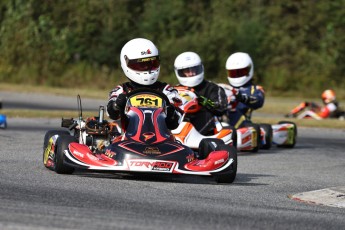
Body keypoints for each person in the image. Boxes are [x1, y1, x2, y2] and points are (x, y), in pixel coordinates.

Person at [107, 38, 183, 131]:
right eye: (141, 65)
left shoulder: (167, 91)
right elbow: (111, 113)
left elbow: (176, 122)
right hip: (128, 139)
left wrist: (171, 112)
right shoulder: (121, 90)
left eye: (151, 63)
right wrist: (116, 105)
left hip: (160, 140)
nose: (147, 68)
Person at [173, 51, 228, 135]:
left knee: (207, 114)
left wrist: (200, 100)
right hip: (181, 125)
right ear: (180, 72)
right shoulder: (175, 90)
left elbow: (220, 108)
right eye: (187, 71)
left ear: (200, 68)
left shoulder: (213, 88)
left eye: (194, 69)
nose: (191, 73)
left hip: (206, 131)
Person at [220, 52, 265, 129]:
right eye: (233, 73)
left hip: (242, 125)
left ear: (249, 70)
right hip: (221, 122)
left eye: (240, 72)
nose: (236, 76)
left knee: (253, 128)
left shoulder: (255, 89)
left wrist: (239, 96)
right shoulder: (225, 88)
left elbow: (258, 101)